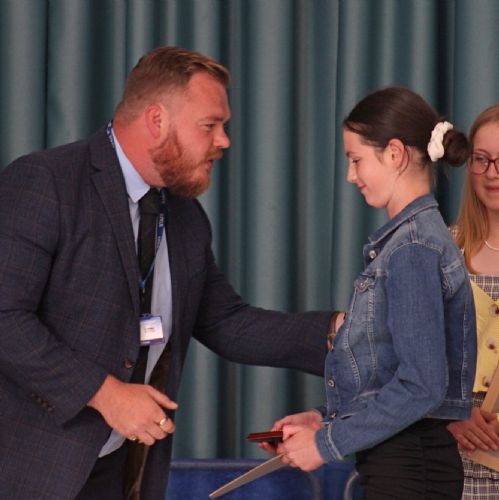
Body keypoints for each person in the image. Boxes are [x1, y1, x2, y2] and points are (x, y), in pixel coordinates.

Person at [0, 46, 333, 500]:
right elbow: (6, 318)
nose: (224, 141)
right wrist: (105, 394)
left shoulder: (185, 216)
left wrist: (336, 332)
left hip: (121, 472)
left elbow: (228, 323)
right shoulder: (46, 182)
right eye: (209, 125)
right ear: (157, 119)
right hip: (31, 474)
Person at [262, 86, 477, 499]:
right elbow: (389, 382)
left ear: (394, 153)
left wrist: (325, 444)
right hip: (403, 467)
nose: (350, 175)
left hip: (410, 472)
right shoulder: (411, 242)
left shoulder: (412, 247)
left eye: (356, 159)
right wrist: (324, 421)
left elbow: (422, 385)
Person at [447, 104, 499, 498]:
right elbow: (408, 359)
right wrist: (451, 413)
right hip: (454, 464)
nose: (492, 173)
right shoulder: (443, 249)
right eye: (481, 160)